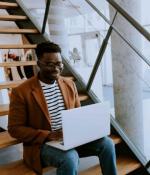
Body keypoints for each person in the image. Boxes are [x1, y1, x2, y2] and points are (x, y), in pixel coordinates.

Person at [8, 42, 117, 175]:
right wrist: (48, 135)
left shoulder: (69, 84)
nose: (56, 68)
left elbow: (78, 115)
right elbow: (14, 129)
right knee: (69, 158)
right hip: (42, 144)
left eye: (59, 63)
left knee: (107, 144)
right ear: (39, 64)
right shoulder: (21, 92)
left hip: (71, 138)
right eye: (50, 64)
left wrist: (89, 129)